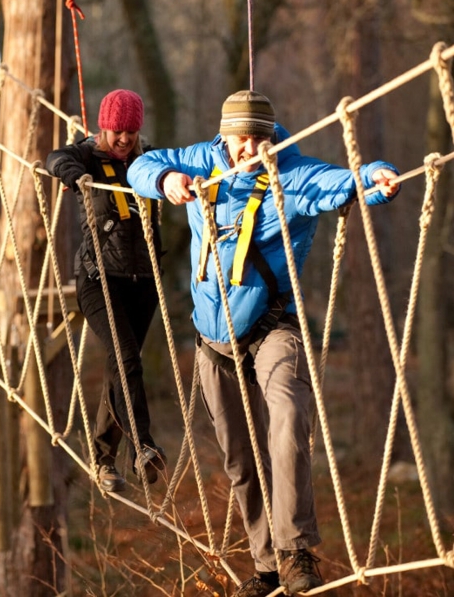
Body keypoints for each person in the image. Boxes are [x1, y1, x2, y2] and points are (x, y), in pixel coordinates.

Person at [127, 90, 399, 596]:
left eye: (260, 136)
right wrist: (167, 181)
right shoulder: (201, 162)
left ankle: (297, 552)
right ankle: (268, 565)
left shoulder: (290, 177)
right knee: (240, 459)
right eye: (241, 137)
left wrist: (377, 178)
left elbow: (341, 184)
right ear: (224, 134)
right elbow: (142, 165)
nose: (250, 147)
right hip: (214, 345)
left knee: (288, 418)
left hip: (275, 329)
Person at [46, 89, 166, 493]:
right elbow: (54, 159)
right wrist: (73, 177)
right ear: (103, 126)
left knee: (121, 367)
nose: (124, 140)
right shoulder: (85, 157)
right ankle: (143, 448)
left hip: (144, 282)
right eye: (117, 131)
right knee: (128, 358)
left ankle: (102, 460)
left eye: (131, 132)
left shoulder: (147, 160)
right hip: (99, 280)